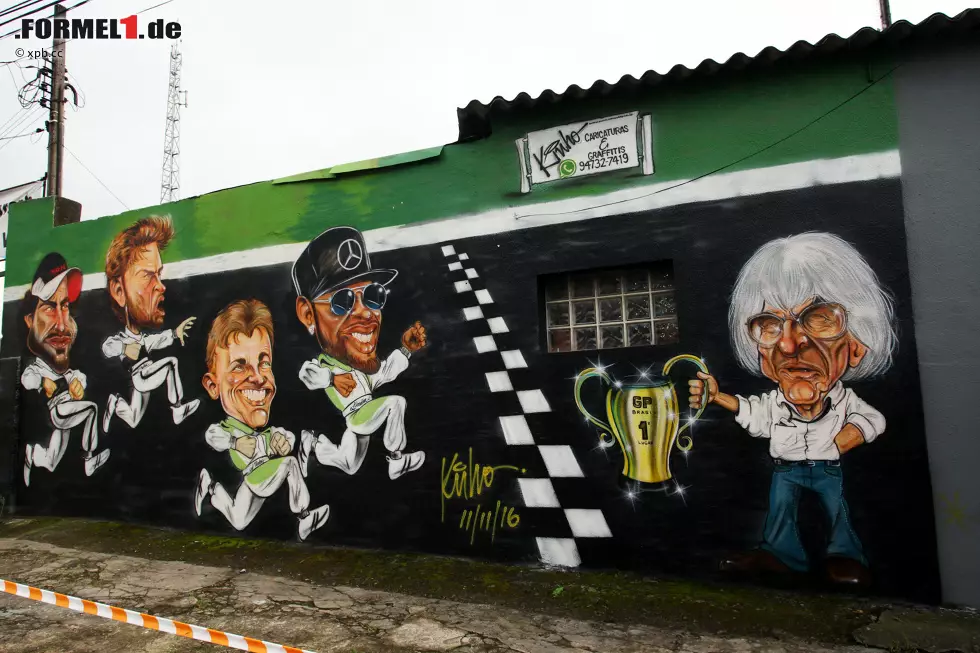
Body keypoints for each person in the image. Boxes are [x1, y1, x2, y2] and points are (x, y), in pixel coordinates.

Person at [690, 232, 896, 586]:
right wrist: (717, 397)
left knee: (836, 510)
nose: (789, 343)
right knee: (781, 511)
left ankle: (845, 555)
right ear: (761, 357)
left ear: (857, 345)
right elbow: (753, 413)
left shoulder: (845, 401)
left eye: (818, 318)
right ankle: (780, 554)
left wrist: (849, 436)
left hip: (827, 468)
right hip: (785, 469)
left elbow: (872, 418)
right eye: (769, 325)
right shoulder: (774, 402)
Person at [292, 226, 426, 481]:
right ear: (308, 314)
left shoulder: (358, 369)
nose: (366, 313)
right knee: (396, 402)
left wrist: (405, 350)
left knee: (348, 463)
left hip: (362, 417)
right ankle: (396, 459)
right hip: (356, 415)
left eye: (373, 296)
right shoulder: (325, 366)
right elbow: (308, 375)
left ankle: (313, 444)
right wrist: (331, 380)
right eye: (342, 301)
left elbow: (383, 374)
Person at [194, 299, 328, 541]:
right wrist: (235, 443)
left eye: (264, 363)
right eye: (239, 366)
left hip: (255, 478)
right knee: (289, 465)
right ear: (213, 386)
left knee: (238, 520)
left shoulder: (265, 432)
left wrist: (283, 442)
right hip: (256, 476)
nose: (257, 378)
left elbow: (285, 437)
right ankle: (304, 517)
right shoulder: (227, 429)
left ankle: (211, 487)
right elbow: (214, 436)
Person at [101, 216, 199, 432]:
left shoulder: (143, 338)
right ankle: (177, 407)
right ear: (119, 291)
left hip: (142, 377)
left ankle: (115, 404)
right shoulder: (120, 339)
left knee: (134, 418)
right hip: (140, 376)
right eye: (148, 276)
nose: (161, 286)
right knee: (171, 363)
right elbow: (108, 348)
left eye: (159, 275)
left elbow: (155, 341)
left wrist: (175, 333)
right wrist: (126, 348)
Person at [20, 252, 110, 486]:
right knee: (90, 409)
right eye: (50, 308)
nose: (62, 323)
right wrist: (42, 383)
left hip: (65, 410)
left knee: (51, 462)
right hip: (58, 412)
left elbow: (74, 376)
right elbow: (27, 378)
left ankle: (32, 455)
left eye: (65, 306)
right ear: (29, 320)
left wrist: (78, 384)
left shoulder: (64, 369)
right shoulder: (38, 368)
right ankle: (89, 459)